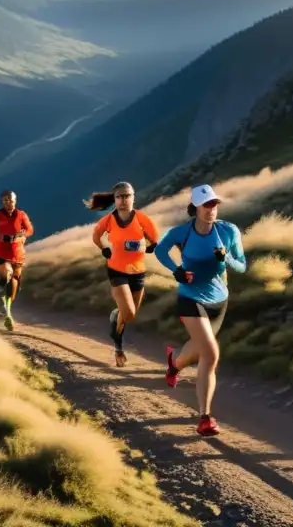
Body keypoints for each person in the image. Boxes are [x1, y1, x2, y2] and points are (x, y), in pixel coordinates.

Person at [154, 184, 246, 437]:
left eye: (214, 204)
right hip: (190, 299)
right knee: (211, 354)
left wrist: (225, 258)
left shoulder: (228, 231)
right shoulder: (182, 233)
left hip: (219, 301)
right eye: (206, 205)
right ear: (195, 207)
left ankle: (174, 364)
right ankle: (205, 418)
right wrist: (177, 271)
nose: (211, 209)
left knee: (196, 350)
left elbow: (242, 267)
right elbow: (160, 250)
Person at [84, 181, 160, 367]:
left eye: (127, 196)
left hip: (138, 272)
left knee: (130, 316)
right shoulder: (108, 220)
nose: (124, 200)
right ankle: (118, 348)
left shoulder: (142, 219)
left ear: (133, 197)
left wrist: (148, 247)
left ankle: (115, 316)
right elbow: (95, 236)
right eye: (119, 197)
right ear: (115, 199)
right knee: (128, 312)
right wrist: (104, 249)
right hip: (117, 271)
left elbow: (154, 239)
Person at [0, 189, 34, 331]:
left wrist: (23, 235)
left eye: (10, 200)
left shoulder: (21, 215)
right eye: (5, 200)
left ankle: (3, 298)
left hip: (17, 253)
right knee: (8, 274)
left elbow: (30, 229)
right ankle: (8, 315)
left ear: (15, 201)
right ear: (2, 201)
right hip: (2, 252)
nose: (8, 203)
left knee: (14, 285)